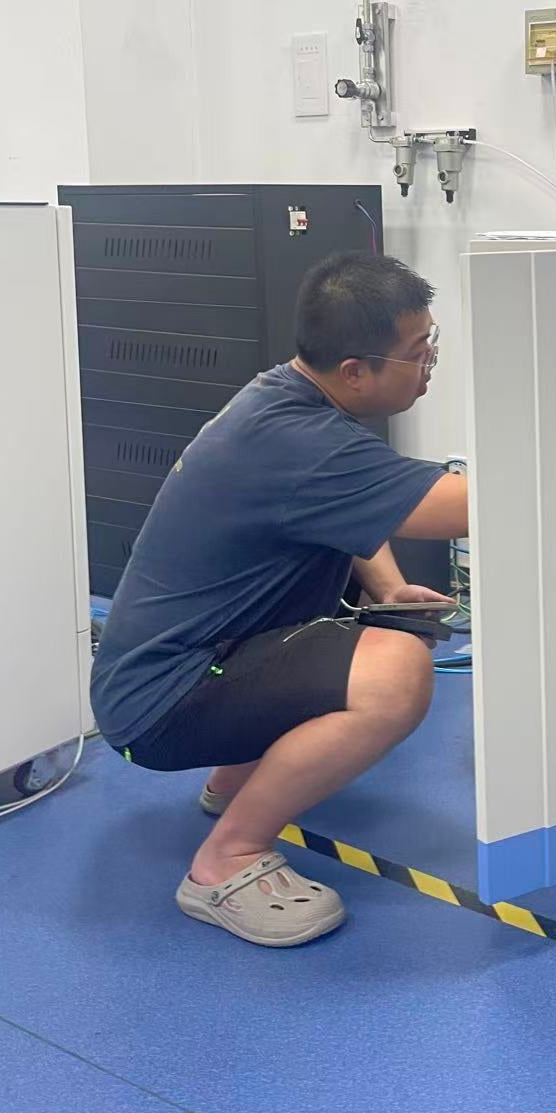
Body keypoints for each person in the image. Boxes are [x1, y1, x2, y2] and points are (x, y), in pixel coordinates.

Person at [90, 251, 468, 947]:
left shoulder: (286, 398)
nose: (429, 363)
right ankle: (223, 862)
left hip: (192, 665)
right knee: (396, 675)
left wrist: (385, 587)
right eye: (419, 352)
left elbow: (335, 509)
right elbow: (461, 507)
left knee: (381, 636)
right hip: (159, 704)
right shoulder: (296, 438)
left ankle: (236, 779)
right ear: (355, 371)